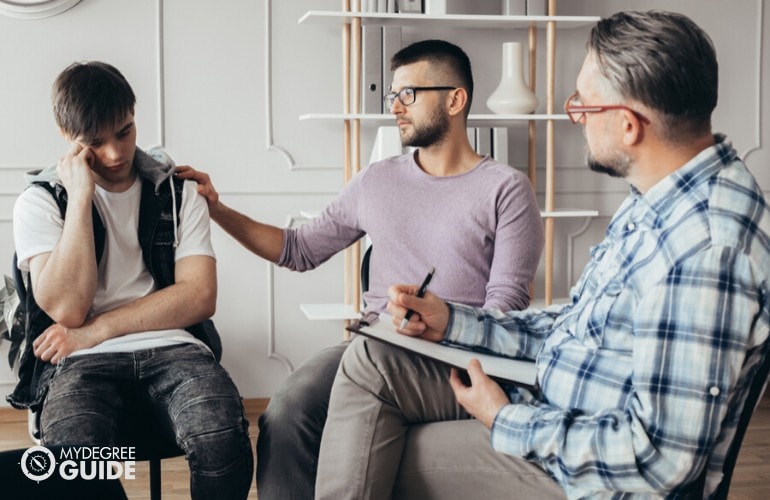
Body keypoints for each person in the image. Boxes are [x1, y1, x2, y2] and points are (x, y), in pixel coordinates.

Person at [316, 10, 770, 499]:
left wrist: (505, 419)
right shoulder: (659, 198)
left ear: (628, 125)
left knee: (374, 452)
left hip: (589, 478)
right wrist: (453, 321)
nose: (576, 118)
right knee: (371, 363)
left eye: (583, 107)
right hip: (552, 398)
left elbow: (658, 460)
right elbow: (575, 324)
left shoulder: (704, 249)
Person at [177, 39, 544, 498]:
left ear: (455, 99)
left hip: (456, 356)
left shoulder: (506, 189)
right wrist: (218, 209)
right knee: (286, 411)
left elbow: (506, 307)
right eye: (393, 95)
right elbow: (299, 249)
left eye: (409, 93)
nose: (396, 107)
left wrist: (444, 322)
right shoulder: (377, 180)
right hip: (375, 345)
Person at [8, 61, 253, 499]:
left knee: (221, 435)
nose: (116, 154)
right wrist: (82, 196)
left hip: (174, 347)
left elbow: (199, 296)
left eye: (124, 131)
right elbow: (67, 310)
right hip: (77, 362)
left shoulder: (177, 191)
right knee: (76, 460)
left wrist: (99, 329)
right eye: (95, 143)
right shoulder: (39, 202)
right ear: (68, 139)